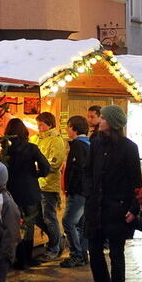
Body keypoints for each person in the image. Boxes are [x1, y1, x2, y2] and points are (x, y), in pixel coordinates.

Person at [82, 104, 142, 282]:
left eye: (103, 119)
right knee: (94, 252)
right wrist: (89, 193)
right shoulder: (95, 144)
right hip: (95, 208)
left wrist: (133, 208)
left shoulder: (128, 148)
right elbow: (87, 171)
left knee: (117, 254)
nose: (100, 121)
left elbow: (136, 182)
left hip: (117, 209)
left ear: (112, 124)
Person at [0, 118, 50, 269]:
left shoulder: (5, 150)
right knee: (29, 225)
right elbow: (46, 167)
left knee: (13, 224)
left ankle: (16, 257)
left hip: (11, 191)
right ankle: (27, 259)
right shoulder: (31, 148)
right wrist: (35, 174)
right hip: (29, 190)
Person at [33, 112, 67, 261]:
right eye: (38, 124)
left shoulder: (56, 140)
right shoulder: (35, 139)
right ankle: (58, 240)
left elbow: (55, 162)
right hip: (36, 184)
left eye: (42, 124)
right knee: (36, 218)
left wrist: (39, 168)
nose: (39, 127)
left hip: (49, 184)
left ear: (50, 124)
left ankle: (54, 248)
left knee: (49, 217)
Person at [60, 115, 90, 268]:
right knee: (81, 223)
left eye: (68, 126)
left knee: (68, 221)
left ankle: (76, 254)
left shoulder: (78, 145)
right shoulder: (88, 144)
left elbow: (77, 170)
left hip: (78, 191)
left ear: (74, 128)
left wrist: (69, 188)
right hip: (86, 191)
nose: (67, 129)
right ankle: (83, 253)